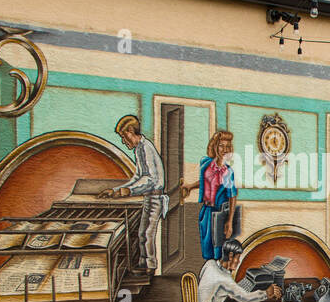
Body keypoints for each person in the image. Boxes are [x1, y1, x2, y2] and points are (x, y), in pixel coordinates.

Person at [99, 115, 168, 272]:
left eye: (124, 136)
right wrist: (117, 190)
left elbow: (150, 179)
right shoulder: (139, 149)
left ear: (131, 131)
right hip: (149, 197)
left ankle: (149, 267)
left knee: (146, 233)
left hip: (154, 197)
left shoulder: (145, 147)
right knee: (143, 233)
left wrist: (128, 191)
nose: (124, 141)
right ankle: (145, 265)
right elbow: (137, 177)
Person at [197, 238, 281, 302]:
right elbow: (245, 298)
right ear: (231, 256)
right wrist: (267, 293)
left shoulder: (210, 264)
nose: (238, 261)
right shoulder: (224, 279)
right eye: (238, 257)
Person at [178, 129, 238, 260]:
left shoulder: (228, 172)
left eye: (228, 146)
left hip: (219, 213)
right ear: (215, 146)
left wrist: (230, 221)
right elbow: (205, 181)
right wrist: (190, 186)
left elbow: (232, 196)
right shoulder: (206, 163)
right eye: (221, 146)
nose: (225, 149)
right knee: (206, 247)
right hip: (205, 211)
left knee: (217, 249)